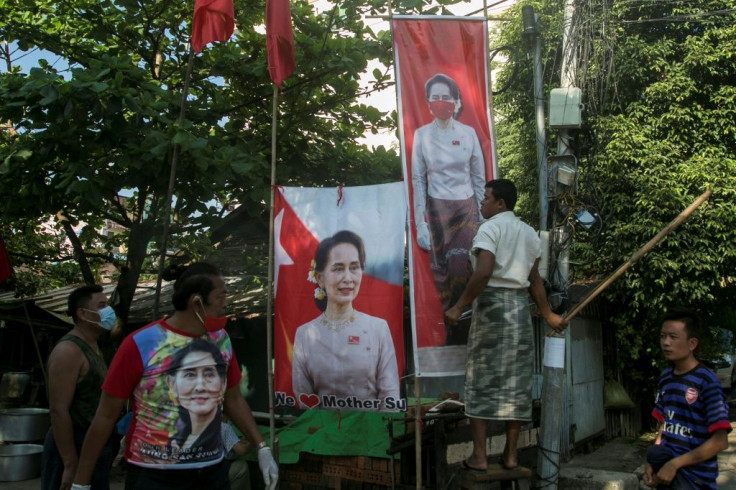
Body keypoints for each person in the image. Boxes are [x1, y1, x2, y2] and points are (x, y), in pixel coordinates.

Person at [72, 262, 278, 490]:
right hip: (155, 475)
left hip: (211, 472)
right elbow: (105, 416)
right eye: (221, 297)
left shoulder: (221, 339)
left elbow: (234, 399)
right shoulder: (141, 343)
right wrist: (81, 482)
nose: (225, 304)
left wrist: (262, 447)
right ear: (196, 302)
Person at [444, 179, 567, 471]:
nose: (482, 203)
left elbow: (484, 271)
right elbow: (534, 279)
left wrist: (459, 305)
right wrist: (548, 314)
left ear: (500, 203)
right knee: (516, 382)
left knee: (480, 381)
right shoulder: (528, 232)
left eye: (486, 198)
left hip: (491, 309)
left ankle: (480, 456)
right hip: (518, 311)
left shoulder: (490, 228)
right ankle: (511, 455)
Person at [412, 73, 486, 345]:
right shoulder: (421, 136)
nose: (441, 102)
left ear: (455, 101)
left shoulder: (468, 134)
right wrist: (420, 223)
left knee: (459, 264)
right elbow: (418, 181)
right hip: (436, 212)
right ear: (428, 102)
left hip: (465, 209)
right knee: (443, 280)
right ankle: (454, 335)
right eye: (436, 98)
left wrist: (483, 218)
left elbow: (479, 179)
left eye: (446, 97)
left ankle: (463, 333)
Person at [292, 230, 400, 410]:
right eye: (338, 268)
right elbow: (304, 399)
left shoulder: (378, 328)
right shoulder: (304, 334)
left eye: (354, 267)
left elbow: (390, 395)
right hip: (324, 433)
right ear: (320, 278)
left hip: (370, 431)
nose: (348, 278)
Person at [643, 308, 730, 489]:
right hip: (667, 472)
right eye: (663, 336)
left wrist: (675, 464)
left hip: (694, 479)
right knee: (652, 453)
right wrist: (652, 464)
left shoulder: (706, 381)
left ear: (692, 344)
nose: (666, 343)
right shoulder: (666, 377)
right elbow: (665, 424)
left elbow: (720, 441)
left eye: (673, 337)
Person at [42, 285, 116, 490]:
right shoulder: (68, 350)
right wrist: (70, 463)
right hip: (73, 444)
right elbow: (58, 410)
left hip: (94, 444)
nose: (108, 311)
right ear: (82, 313)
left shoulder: (94, 345)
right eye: (101, 306)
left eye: (108, 305)